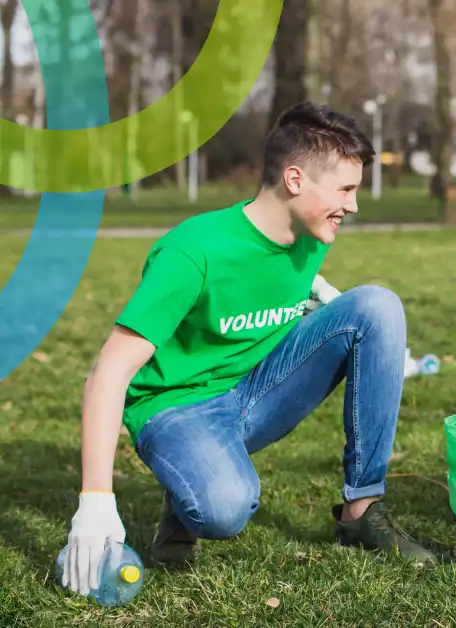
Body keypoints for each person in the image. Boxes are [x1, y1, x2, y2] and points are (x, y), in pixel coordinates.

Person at [60, 102, 436, 597]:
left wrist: (320, 294)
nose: (354, 205)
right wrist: (95, 502)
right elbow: (108, 372)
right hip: (177, 409)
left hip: (255, 391)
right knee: (225, 508)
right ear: (295, 179)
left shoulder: (311, 233)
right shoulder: (192, 251)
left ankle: (362, 510)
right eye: (345, 189)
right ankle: (185, 495)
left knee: (378, 307)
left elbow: (271, 274)